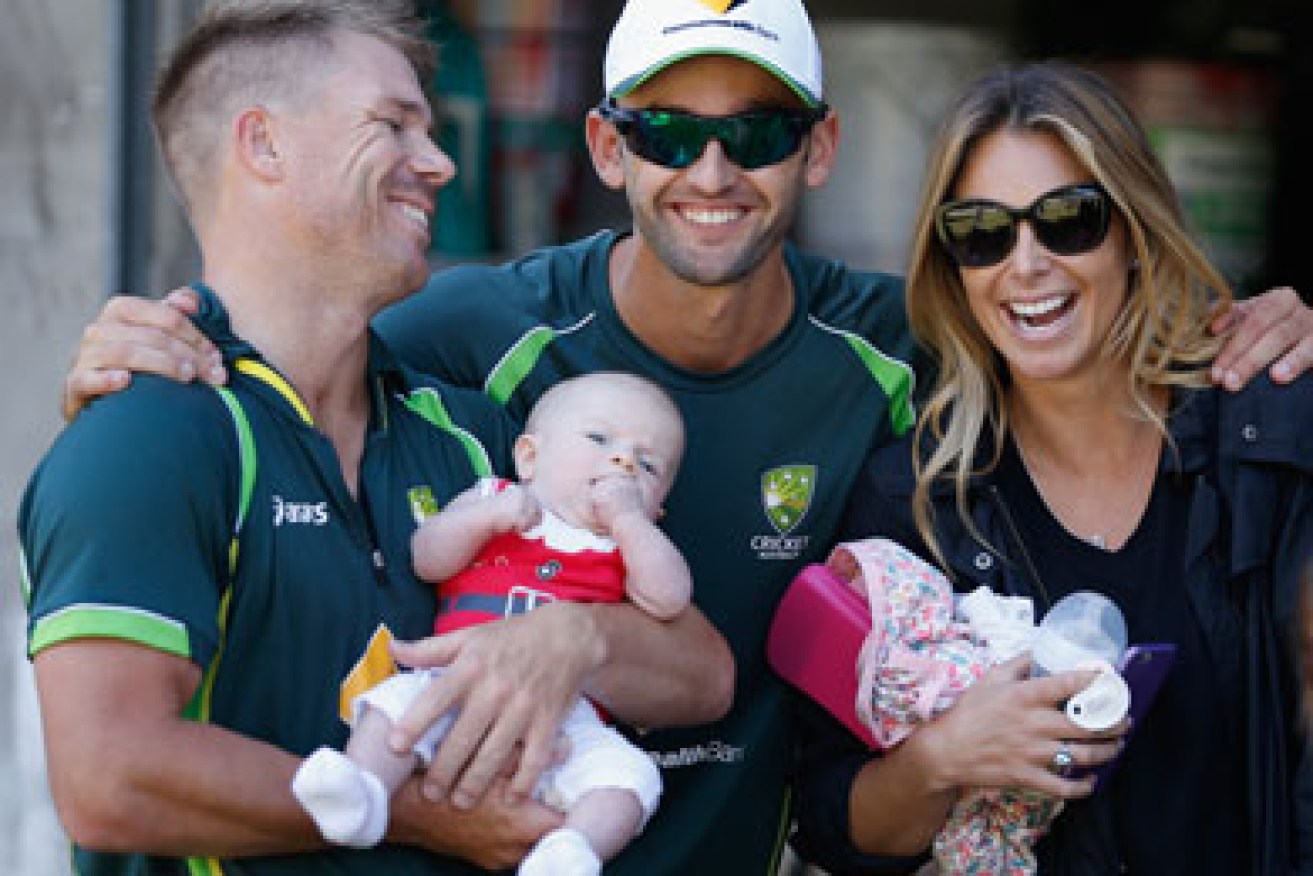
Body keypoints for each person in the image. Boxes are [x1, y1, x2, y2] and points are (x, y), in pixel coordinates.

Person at [53, 1, 1313, 872]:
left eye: (756, 131)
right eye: (666, 130)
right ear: (606, 145)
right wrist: (160, 339)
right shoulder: (467, 343)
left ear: (820, 148)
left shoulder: (902, 347)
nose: (711, 168)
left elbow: (1063, 317)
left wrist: (1253, 323)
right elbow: (297, 348)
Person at [18, 3, 726, 875]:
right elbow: (109, 780)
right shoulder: (147, 435)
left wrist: (581, 639)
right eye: (392, 125)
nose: (437, 163)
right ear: (263, 144)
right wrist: (410, 813)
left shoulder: (469, 435)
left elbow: (701, 676)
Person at [792, 61, 1313, 875]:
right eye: (981, 232)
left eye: (1068, 220)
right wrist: (941, 757)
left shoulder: (1268, 441)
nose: (1025, 263)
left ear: (1135, 232)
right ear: (953, 268)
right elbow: (834, 824)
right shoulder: (914, 502)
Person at [293, 371, 689, 876]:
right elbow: (427, 558)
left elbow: (669, 599)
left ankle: (571, 851)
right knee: (395, 710)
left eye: (647, 465)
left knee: (630, 776)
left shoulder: (626, 546)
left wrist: (630, 522)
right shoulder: (493, 496)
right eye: (599, 439)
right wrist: (483, 519)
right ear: (529, 457)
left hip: (564, 715)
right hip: (454, 682)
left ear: (659, 508)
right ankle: (364, 792)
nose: (623, 461)